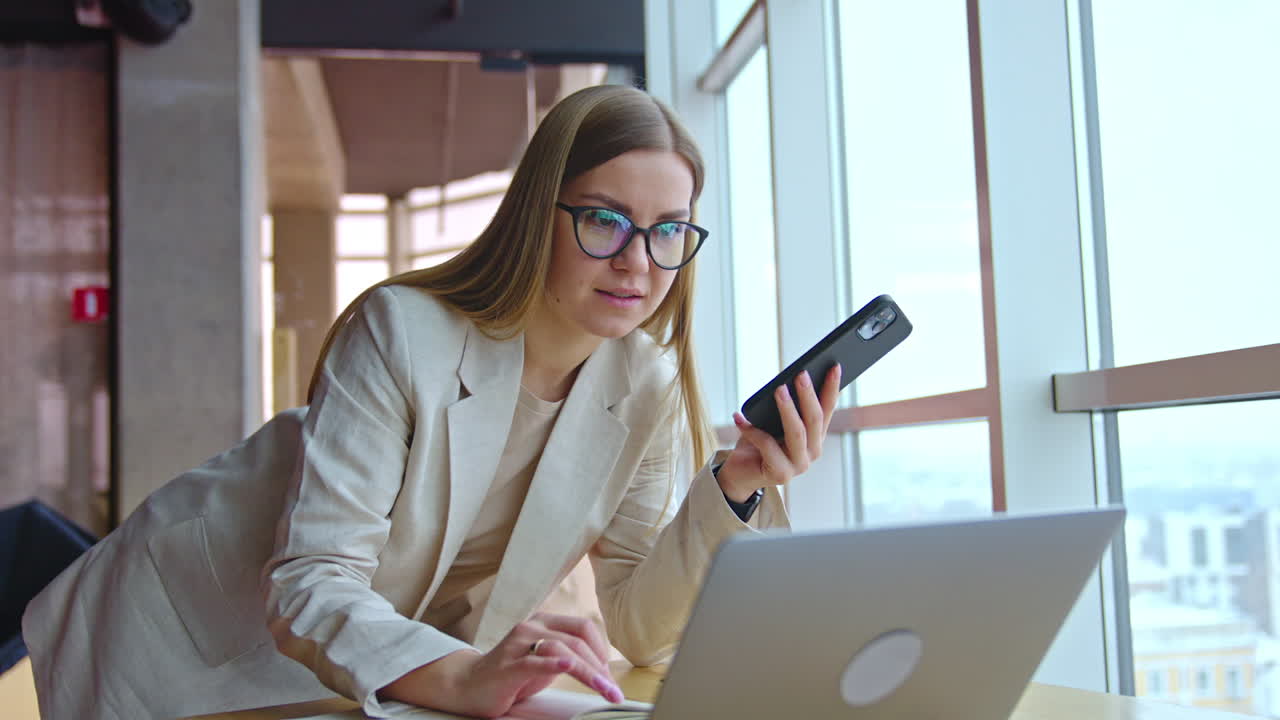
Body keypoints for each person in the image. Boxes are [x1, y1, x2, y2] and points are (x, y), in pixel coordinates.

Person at [22, 84, 840, 720]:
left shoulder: (645, 387)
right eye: (605, 220)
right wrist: (466, 673)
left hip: (348, 672)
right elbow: (311, 582)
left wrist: (735, 485)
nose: (637, 260)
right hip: (183, 629)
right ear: (537, 215)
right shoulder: (403, 331)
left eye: (669, 230)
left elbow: (634, 619)